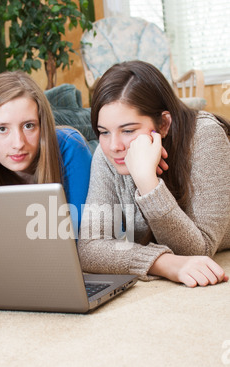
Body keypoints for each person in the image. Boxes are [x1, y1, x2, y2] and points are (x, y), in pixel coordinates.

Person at [78, 60, 230, 287]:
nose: (114, 145)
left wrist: (147, 181)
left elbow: (199, 250)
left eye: (128, 130)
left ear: (163, 124)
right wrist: (163, 263)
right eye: (103, 132)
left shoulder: (204, 136)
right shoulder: (108, 151)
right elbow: (90, 248)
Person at [0, 70, 92, 231]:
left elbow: (88, 235)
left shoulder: (70, 145)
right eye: (2, 129)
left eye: (29, 126)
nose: (18, 143)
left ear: (42, 125)